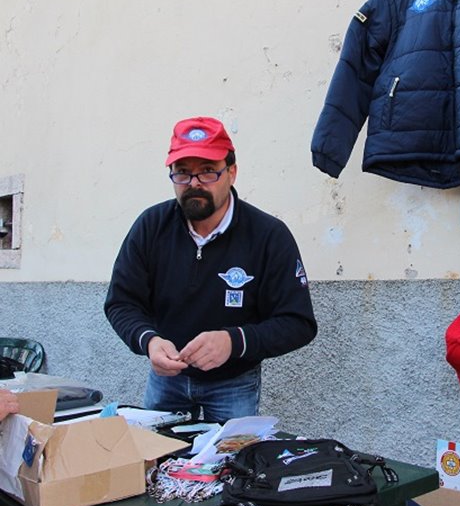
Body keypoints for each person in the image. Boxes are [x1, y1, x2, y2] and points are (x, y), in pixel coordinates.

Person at [105, 116, 317, 423]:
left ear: (231, 172)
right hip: (166, 380)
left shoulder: (268, 235)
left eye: (207, 171)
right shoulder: (151, 227)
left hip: (234, 384)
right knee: (157, 463)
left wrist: (234, 342)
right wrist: (148, 340)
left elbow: (298, 323)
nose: (194, 184)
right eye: (182, 173)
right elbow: (121, 302)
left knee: (230, 467)